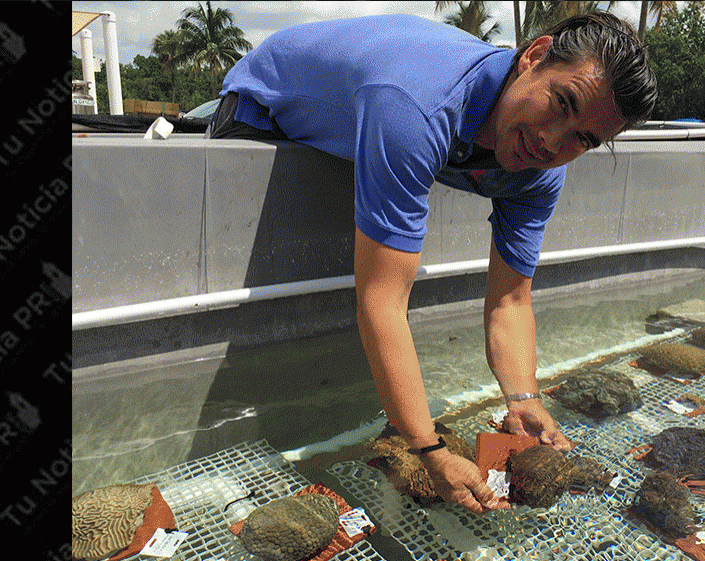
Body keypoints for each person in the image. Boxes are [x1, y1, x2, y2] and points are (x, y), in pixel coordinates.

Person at [208, 11, 657, 514]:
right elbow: (381, 303)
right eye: (562, 103)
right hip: (265, 112)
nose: (554, 141)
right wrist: (430, 450)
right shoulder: (416, 106)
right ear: (533, 56)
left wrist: (523, 397)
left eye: (584, 138)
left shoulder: (537, 170)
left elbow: (510, 299)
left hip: (373, 122)